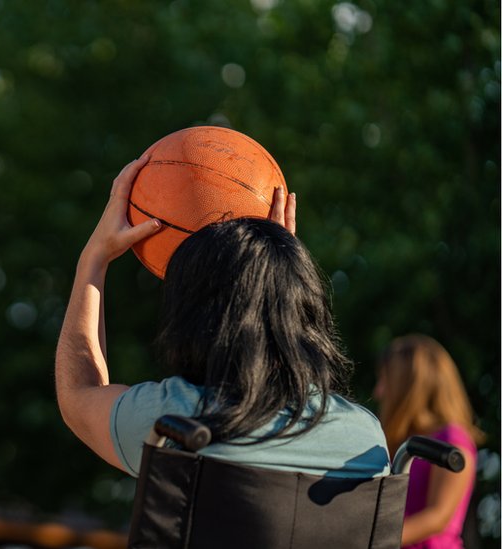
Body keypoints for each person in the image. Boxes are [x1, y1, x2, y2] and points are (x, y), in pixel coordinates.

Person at [55, 154, 390, 479]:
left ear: (197, 318)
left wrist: (93, 260)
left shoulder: (174, 423)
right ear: (306, 309)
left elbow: (78, 393)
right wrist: (273, 261)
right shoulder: (365, 439)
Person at [374, 334, 483, 548]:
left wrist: (368, 541)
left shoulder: (452, 440)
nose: (378, 392)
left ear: (409, 390)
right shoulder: (398, 443)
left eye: (385, 382)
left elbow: (438, 517)